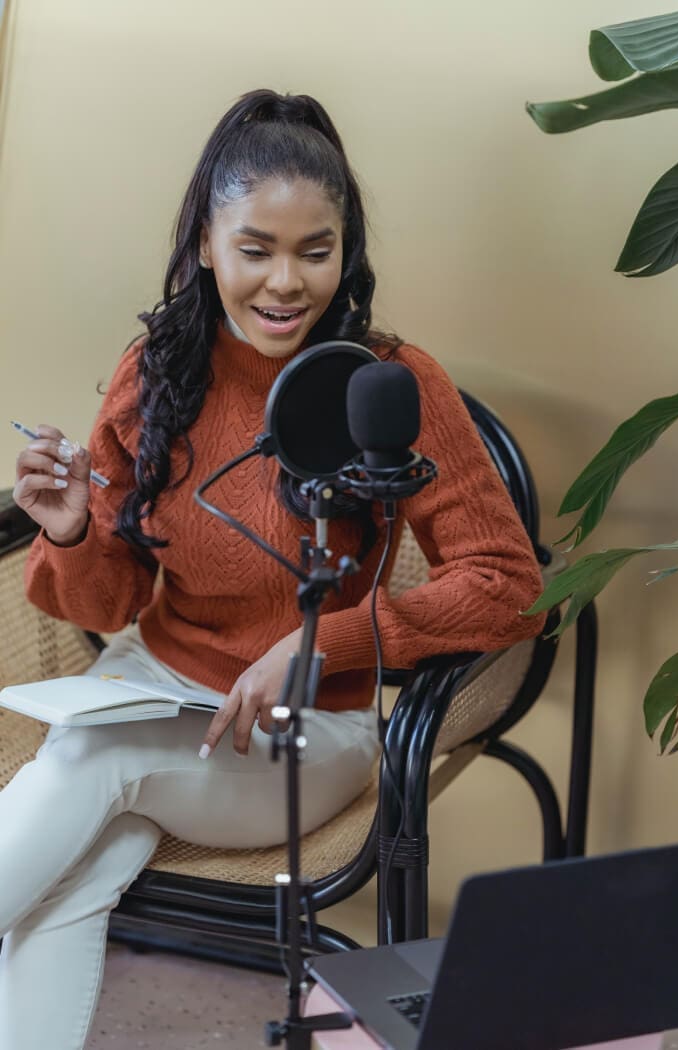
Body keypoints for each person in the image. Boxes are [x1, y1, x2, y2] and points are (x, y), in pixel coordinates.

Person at [0, 88, 545, 1049]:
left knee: (85, 765)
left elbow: (508, 583)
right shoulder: (156, 373)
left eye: (315, 251)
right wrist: (77, 530)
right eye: (256, 250)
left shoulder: (389, 385)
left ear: (348, 250)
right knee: (68, 879)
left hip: (309, 731)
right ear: (206, 247)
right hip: (142, 692)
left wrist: (323, 640)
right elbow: (110, 600)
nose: (285, 283)